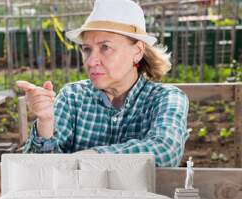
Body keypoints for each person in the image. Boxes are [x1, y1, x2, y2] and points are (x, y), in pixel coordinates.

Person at [18, 0, 189, 167]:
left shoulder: (166, 98)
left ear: (137, 52)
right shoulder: (72, 97)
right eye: (87, 49)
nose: (91, 62)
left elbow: (166, 151)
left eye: (105, 47)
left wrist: (93, 157)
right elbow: (37, 170)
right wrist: (46, 122)